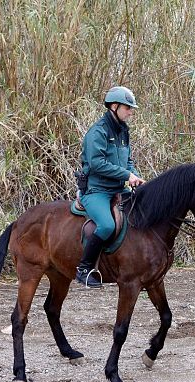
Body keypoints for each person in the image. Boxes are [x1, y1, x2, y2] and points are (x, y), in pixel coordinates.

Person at [76, 86, 145, 288]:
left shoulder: (123, 131)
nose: (131, 111)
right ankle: (84, 269)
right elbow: (97, 164)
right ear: (114, 106)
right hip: (96, 190)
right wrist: (126, 175)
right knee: (106, 225)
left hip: (117, 189)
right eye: (128, 107)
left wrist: (135, 176)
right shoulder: (97, 132)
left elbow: (128, 160)